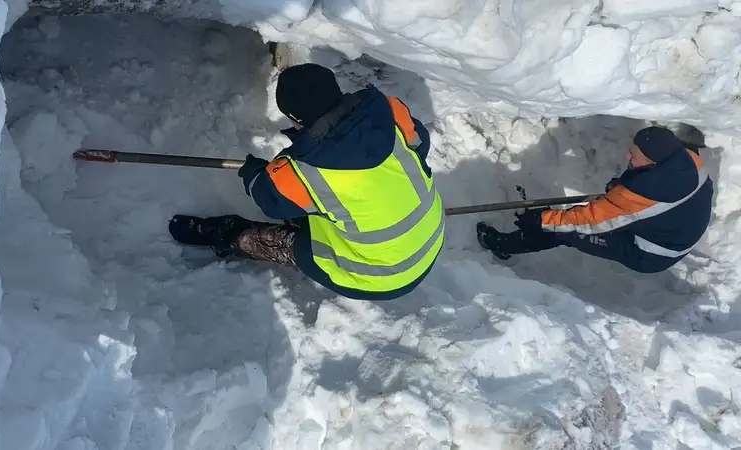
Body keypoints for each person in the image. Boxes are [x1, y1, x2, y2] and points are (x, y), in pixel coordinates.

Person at [168, 63, 445, 300]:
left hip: (383, 276)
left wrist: (254, 171)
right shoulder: (391, 113)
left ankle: (232, 236)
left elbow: (267, 196)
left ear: (297, 121)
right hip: (430, 237)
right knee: (329, 203)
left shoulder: (307, 171)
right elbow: (420, 141)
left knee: (301, 245)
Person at [477, 126, 713, 273]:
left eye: (635, 155)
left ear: (654, 162)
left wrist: (542, 220)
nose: (627, 155)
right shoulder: (688, 158)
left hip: (652, 252)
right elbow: (633, 199)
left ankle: (502, 246)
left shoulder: (643, 193)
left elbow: (588, 221)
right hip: (678, 229)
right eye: (631, 149)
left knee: (566, 231)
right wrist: (619, 193)